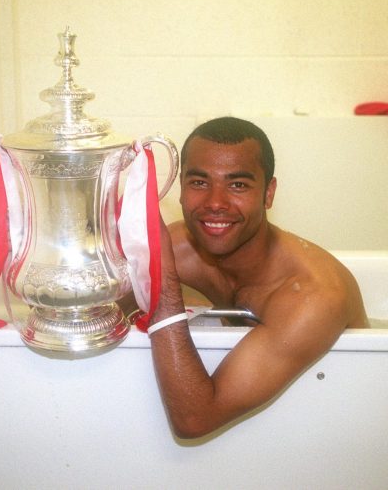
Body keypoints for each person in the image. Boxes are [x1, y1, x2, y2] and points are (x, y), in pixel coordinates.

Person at [143, 116, 368, 439]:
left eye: (238, 185)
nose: (215, 203)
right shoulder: (181, 247)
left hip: (343, 422)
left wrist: (162, 287)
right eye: (199, 182)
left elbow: (195, 421)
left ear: (268, 193)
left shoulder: (313, 295)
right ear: (180, 190)